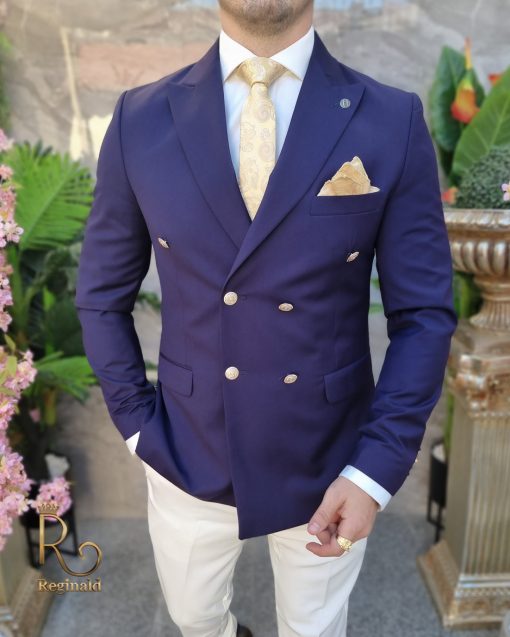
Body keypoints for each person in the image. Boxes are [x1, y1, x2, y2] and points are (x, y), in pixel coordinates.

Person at [74, 1, 458, 635]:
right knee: (194, 619)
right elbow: (100, 294)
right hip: (186, 444)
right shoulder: (139, 118)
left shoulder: (392, 118)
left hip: (329, 455)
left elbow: (423, 314)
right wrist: (137, 425)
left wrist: (374, 470)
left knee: (315, 629)